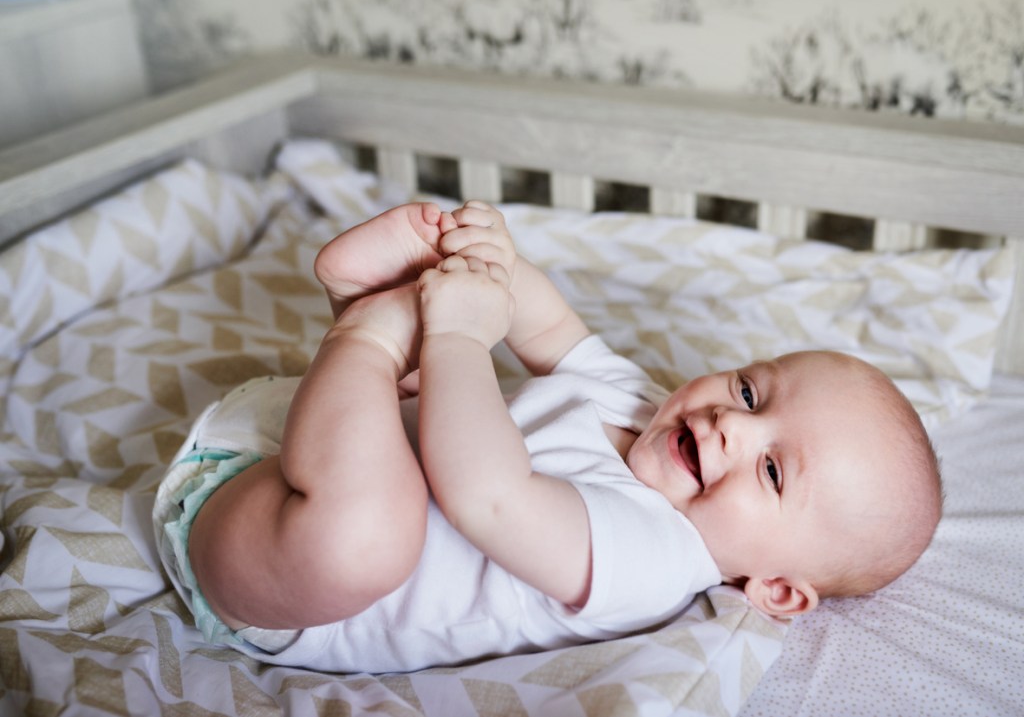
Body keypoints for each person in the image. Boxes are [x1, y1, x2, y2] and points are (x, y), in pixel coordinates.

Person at [153, 200, 943, 674]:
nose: (730, 423)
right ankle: (383, 318)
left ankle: (366, 331)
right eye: (749, 388)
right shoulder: (640, 401)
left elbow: (487, 494)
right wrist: (493, 262)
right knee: (437, 404)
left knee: (375, 531)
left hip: (268, 568)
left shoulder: (655, 556)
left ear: (776, 588)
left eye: (773, 470)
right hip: (304, 442)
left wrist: (459, 336)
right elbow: (550, 324)